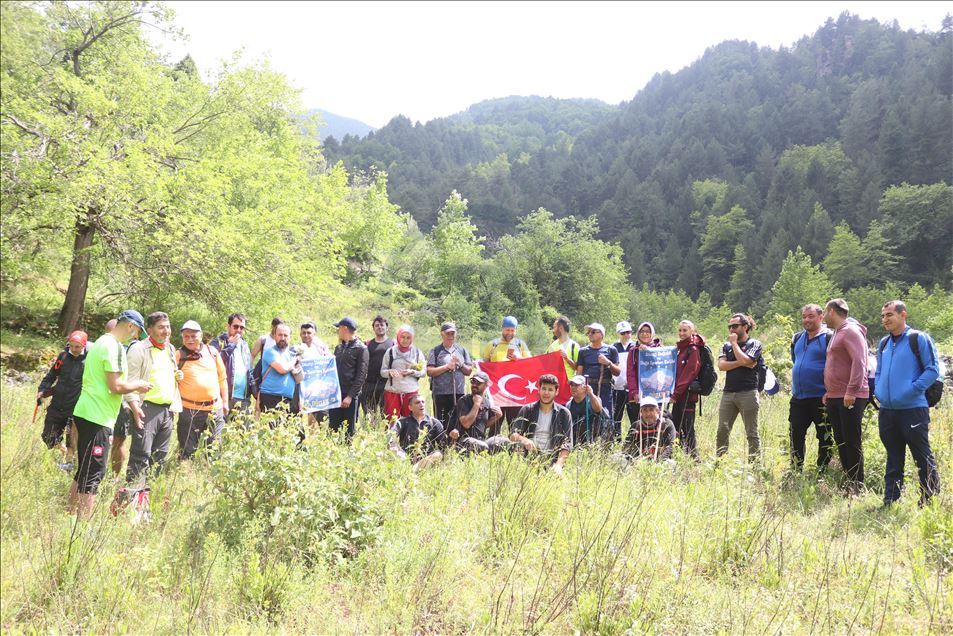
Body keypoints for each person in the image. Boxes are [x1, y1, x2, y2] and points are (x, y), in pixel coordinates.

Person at [68, 310, 151, 518]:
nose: (135, 337)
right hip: (97, 416)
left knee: (83, 470)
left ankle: (71, 515)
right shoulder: (113, 347)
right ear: (131, 326)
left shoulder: (100, 342)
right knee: (93, 472)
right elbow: (115, 386)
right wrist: (138, 385)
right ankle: (83, 525)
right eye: (136, 333)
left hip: (86, 411)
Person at [875, 300, 941, 507]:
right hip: (887, 410)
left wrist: (912, 390)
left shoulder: (918, 338)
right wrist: (878, 391)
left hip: (913, 409)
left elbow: (932, 370)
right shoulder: (884, 344)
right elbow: (878, 372)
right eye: (883, 316)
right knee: (893, 456)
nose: (885, 319)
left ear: (903, 315)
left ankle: (929, 502)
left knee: (921, 455)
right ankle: (890, 500)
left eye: (889, 315)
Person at [121, 312, 180, 506]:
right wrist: (135, 408)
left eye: (168, 327)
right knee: (141, 456)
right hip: (146, 408)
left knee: (159, 458)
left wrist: (176, 376)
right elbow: (128, 381)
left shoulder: (170, 349)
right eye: (161, 327)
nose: (166, 331)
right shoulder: (139, 349)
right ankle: (130, 502)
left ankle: (146, 502)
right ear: (151, 329)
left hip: (167, 411)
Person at [822, 298, 869, 493]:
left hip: (850, 396)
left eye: (824, 312)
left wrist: (851, 390)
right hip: (835, 396)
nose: (823, 317)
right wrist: (830, 392)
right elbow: (837, 364)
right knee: (841, 440)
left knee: (851, 440)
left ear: (832, 311)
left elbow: (860, 362)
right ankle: (850, 482)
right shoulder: (836, 333)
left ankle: (858, 485)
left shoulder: (851, 331)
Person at [788, 305, 834, 473]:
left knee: (824, 436)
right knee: (795, 435)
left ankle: (822, 471)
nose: (806, 320)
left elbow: (835, 366)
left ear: (821, 317)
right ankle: (795, 470)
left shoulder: (829, 338)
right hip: (798, 397)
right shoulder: (797, 338)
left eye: (811, 316)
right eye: (804, 316)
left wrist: (830, 390)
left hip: (821, 397)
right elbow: (796, 361)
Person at [176, 320, 228, 460]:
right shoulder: (179, 355)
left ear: (201, 336)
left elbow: (222, 378)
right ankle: (186, 476)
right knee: (187, 451)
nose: (190, 339)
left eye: (193, 336)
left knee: (215, 450)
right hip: (189, 411)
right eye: (186, 336)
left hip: (214, 410)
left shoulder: (213, 352)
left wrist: (225, 403)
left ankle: (211, 478)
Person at [37, 330, 88, 470]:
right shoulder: (63, 356)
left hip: (76, 406)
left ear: (83, 345)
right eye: (71, 346)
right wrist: (42, 389)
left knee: (72, 437)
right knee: (48, 436)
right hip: (57, 403)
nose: (74, 349)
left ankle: (69, 464)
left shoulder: (89, 360)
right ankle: (62, 450)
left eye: (77, 346)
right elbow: (52, 374)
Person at [716, 313, 764, 462]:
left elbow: (746, 359)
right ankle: (720, 463)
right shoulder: (726, 346)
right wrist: (742, 362)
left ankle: (754, 466)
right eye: (730, 326)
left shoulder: (754, 344)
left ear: (745, 327)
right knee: (722, 431)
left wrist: (736, 345)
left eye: (735, 326)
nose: (732, 329)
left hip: (748, 392)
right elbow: (721, 366)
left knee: (751, 433)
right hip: (728, 394)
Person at [510, 374, 573, 474]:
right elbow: (513, 435)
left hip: (552, 459)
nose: (546, 393)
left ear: (556, 392)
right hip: (528, 458)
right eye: (543, 388)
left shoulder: (564, 413)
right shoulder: (527, 409)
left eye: (550, 390)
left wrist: (558, 465)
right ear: (539, 390)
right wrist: (524, 440)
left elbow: (568, 444)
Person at [483, 315, 531, 428]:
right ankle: (492, 444)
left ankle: (515, 445)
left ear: (516, 330)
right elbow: (485, 365)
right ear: (502, 329)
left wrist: (518, 359)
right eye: (507, 330)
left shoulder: (521, 345)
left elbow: (530, 363)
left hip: (514, 393)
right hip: (496, 392)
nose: (510, 332)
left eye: (512, 330)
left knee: (515, 425)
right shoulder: (492, 345)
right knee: (495, 424)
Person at [447, 371, 507, 453]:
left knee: (504, 442)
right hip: (464, 441)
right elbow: (466, 424)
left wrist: (496, 417)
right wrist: (476, 404)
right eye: (473, 382)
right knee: (482, 446)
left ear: (486, 385)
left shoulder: (487, 402)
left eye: (478, 383)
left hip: (481, 440)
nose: (474, 385)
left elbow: (483, 425)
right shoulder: (464, 400)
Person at [426, 322, 473, 425]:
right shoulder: (435, 351)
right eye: (448, 334)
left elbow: (469, 371)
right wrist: (446, 367)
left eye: (453, 333)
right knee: (440, 421)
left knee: (457, 421)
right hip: (440, 393)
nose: (450, 336)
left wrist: (460, 364)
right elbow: (429, 371)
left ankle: (455, 441)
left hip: (458, 393)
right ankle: (441, 440)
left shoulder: (462, 350)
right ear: (442, 334)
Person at [329, 317, 368, 440]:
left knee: (348, 430)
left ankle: (348, 453)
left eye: (338, 329)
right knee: (332, 428)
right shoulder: (339, 348)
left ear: (344, 328)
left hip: (349, 395)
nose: (337, 331)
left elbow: (361, 375)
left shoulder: (361, 349)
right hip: (335, 394)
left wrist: (350, 396)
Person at [211, 313, 257, 416]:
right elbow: (212, 364)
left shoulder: (244, 345)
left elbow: (249, 369)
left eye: (242, 327)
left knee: (244, 431)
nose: (239, 330)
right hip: (224, 397)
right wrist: (230, 346)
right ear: (228, 326)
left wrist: (255, 390)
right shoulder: (218, 342)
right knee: (220, 431)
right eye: (235, 326)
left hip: (243, 398)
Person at [671, 320, 704, 460]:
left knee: (688, 428)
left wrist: (676, 393)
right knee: (676, 426)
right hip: (678, 396)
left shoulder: (693, 349)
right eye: (680, 330)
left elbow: (689, 373)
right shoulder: (680, 349)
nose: (682, 333)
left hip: (687, 396)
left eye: (685, 330)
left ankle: (693, 459)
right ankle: (677, 456)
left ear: (692, 331)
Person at [380, 325, 427, 422]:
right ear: (398, 337)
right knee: (391, 422)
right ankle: (391, 437)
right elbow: (382, 372)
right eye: (402, 337)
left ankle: (410, 437)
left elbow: (423, 372)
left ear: (412, 339)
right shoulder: (390, 351)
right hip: (392, 392)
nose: (405, 340)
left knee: (411, 421)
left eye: (408, 337)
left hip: (411, 392)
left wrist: (412, 372)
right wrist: (390, 372)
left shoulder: (417, 352)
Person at [389, 394, 445, 472]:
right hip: (406, 459)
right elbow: (390, 438)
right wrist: (398, 451)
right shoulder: (403, 421)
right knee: (393, 449)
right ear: (410, 407)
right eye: (417, 402)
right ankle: (412, 469)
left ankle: (412, 471)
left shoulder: (434, 422)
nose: (421, 404)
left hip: (427, 460)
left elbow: (444, 447)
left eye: (423, 402)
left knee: (438, 454)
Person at [575, 323, 620, 419]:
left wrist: (608, 363)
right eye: (588, 332)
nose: (590, 334)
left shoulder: (611, 350)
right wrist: (577, 388)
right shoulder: (583, 351)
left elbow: (617, 372)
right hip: (587, 388)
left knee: (606, 417)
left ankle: (606, 434)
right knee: (587, 417)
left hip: (605, 389)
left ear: (601, 334)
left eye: (593, 332)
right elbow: (579, 373)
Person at [617, 396, 677, 462]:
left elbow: (671, 446)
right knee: (618, 459)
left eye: (651, 410)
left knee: (670, 463)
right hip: (639, 461)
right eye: (645, 410)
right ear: (641, 412)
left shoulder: (666, 424)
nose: (648, 414)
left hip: (662, 461)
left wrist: (660, 462)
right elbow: (627, 447)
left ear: (657, 411)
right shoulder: (636, 426)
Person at [257, 322, 300, 415]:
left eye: (285, 335)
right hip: (270, 398)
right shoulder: (270, 352)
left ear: (290, 337)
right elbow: (282, 369)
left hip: (289, 399)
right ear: (275, 336)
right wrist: (295, 361)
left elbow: (300, 379)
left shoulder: (292, 354)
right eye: (280, 335)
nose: (283, 338)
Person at [297, 321, 331, 425]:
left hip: (320, 390)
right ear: (300, 334)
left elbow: (330, 363)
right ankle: (310, 439)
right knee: (306, 416)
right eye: (304, 333)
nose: (306, 335)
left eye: (309, 333)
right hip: (304, 389)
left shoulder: (321, 349)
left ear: (314, 334)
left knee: (323, 419)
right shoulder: (297, 349)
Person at [565, 375, 613, 445]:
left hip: (595, 441)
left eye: (576, 385)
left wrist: (590, 393)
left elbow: (598, 409)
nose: (573, 387)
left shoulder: (593, 400)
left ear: (585, 387)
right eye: (572, 385)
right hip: (576, 443)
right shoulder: (568, 405)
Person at [363, 315, 395, 419]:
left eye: (382, 325)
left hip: (387, 384)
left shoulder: (393, 344)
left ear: (387, 327)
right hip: (369, 384)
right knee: (369, 414)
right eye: (377, 325)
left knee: (385, 415)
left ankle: (385, 434)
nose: (380, 327)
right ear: (373, 328)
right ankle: (370, 433)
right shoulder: (367, 344)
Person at [611, 321, 637, 441]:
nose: (626, 335)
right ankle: (617, 440)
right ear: (618, 334)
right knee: (616, 417)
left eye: (628, 332)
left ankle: (633, 440)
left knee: (634, 417)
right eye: (623, 333)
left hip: (632, 388)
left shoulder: (635, 346)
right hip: (617, 387)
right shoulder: (613, 348)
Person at [625, 321, 663, 405]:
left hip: (657, 392)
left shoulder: (660, 349)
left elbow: (661, 367)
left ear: (652, 333)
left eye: (647, 331)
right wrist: (634, 392)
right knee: (639, 417)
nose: (644, 334)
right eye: (642, 331)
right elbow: (630, 373)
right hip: (639, 392)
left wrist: (648, 352)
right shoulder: (634, 351)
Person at [547, 315, 580, 382]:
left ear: (561, 328)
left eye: (554, 327)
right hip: (554, 384)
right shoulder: (552, 345)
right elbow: (545, 363)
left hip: (569, 384)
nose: (553, 330)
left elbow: (577, 368)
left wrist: (566, 358)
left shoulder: (574, 346)